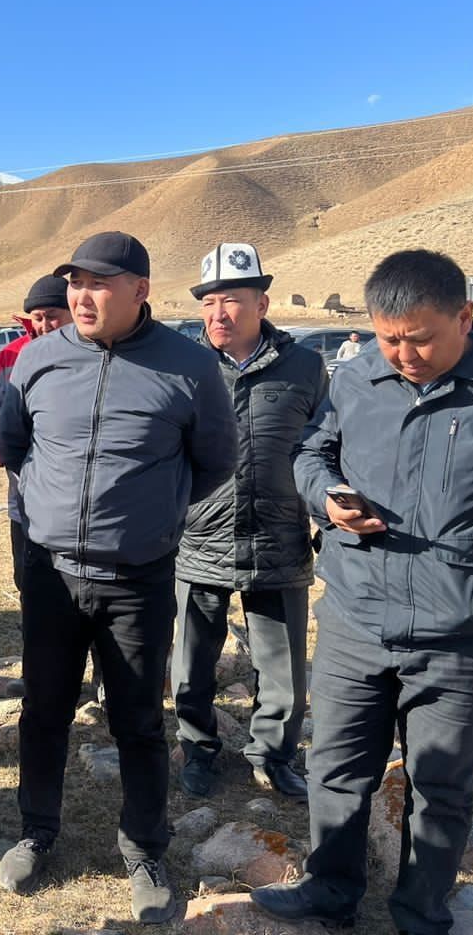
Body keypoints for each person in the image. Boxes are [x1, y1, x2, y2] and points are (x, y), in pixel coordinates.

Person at [252, 249, 473, 935]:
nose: (403, 355)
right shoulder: (356, 376)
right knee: (336, 769)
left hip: (461, 634)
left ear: (466, 317)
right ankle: (330, 890)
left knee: (440, 785)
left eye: (420, 339)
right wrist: (327, 499)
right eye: (388, 339)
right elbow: (312, 452)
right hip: (355, 619)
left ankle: (420, 913)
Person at [0, 232, 236, 924]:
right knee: (44, 711)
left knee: (137, 719)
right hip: (50, 573)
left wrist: (150, 516)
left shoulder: (190, 367)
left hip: (138, 578)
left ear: (140, 290)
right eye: (75, 281)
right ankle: (36, 831)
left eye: (99, 282)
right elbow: (14, 445)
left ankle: (145, 849)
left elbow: (215, 461)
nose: (81, 295)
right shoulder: (37, 359)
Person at [172, 243, 328, 801]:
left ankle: (274, 756)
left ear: (261, 304)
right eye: (208, 302)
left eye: (231, 300)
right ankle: (198, 750)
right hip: (199, 539)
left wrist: (327, 514)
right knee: (191, 664)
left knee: (282, 667)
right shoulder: (183, 366)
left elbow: (326, 446)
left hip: (278, 538)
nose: (218, 313)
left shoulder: (306, 368)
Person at [0, 274, 72, 590]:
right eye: (38, 317)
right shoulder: (10, 357)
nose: (45, 325)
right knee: (29, 579)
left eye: (53, 316)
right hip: (25, 498)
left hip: (78, 503)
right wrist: (10, 457)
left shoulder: (95, 354)